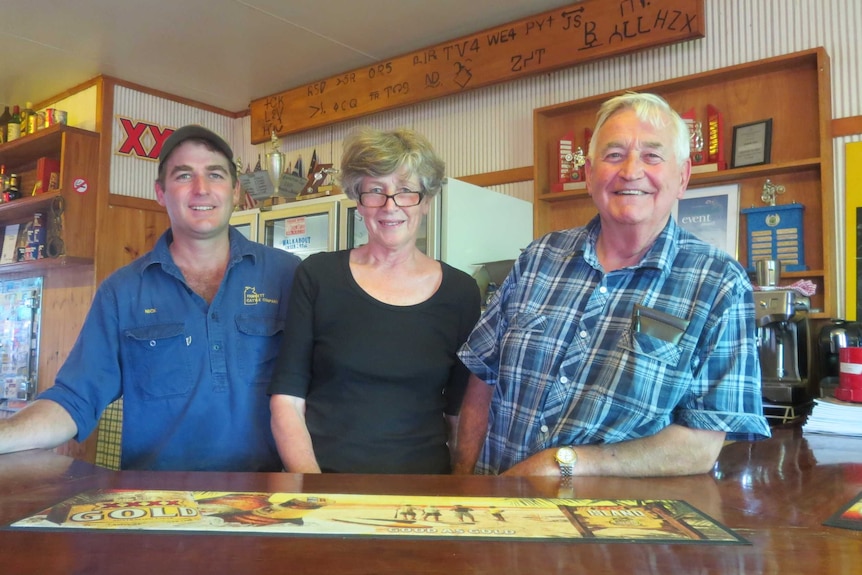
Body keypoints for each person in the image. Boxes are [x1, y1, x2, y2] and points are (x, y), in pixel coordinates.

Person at [453, 92, 771, 478]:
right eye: (614, 155)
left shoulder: (719, 283)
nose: (631, 171)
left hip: (610, 531)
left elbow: (699, 446)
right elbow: (482, 379)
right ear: (589, 175)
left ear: (683, 177)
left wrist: (565, 464)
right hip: (495, 514)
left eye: (653, 156)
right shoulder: (538, 259)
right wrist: (463, 482)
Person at [0, 125, 301, 471]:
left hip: (269, 504)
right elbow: (74, 400)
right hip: (158, 508)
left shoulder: (289, 275)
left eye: (215, 175)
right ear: (160, 192)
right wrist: (6, 434)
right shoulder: (122, 292)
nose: (201, 189)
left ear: (235, 191)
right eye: (184, 175)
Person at [268, 127, 481, 474]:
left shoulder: (460, 292)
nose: (390, 206)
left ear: (426, 202)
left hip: (426, 495)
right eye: (375, 191)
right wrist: (314, 492)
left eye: (406, 191)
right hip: (326, 485)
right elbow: (288, 401)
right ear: (358, 201)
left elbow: (461, 411)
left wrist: (460, 486)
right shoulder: (318, 276)